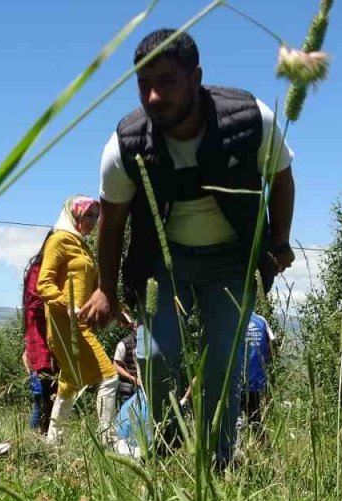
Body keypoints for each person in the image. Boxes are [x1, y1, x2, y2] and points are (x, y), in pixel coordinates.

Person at [79, 29, 297, 470]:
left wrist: (279, 244)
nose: (154, 96)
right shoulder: (125, 144)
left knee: (222, 360)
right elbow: (113, 222)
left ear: (196, 76)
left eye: (167, 81)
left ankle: (216, 464)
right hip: (165, 263)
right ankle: (159, 448)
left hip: (233, 263)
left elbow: (283, 177)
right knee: (155, 358)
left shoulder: (250, 119)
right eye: (143, 84)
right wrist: (105, 288)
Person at [37, 196, 119, 443]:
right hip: (66, 324)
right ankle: (107, 439)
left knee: (70, 382)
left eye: (96, 216)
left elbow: (96, 288)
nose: (93, 222)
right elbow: (44, 284)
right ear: (74, 215)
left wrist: (117, 311)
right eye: (88, 216)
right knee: (109, 375)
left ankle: (54, 440)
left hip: (80, 324)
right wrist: (68, 305)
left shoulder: (82, 246)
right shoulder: (59, 240)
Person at [22, 244, 58, 435]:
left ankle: (46, 437)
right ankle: (40, 438)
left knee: (52, 395)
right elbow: (35, 304)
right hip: (41, 345)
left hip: (55, 343)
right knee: (43, 397)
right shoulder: (39, 268)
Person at [241, 312, 275, 437]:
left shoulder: (232, 317)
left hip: (236, 377)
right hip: (256, 378)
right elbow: (271, 351)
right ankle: (262, 445)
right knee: (254, 417)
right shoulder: (261, 320)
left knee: (234, 418)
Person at [113, 321, 141, 406]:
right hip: (129, 387)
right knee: (128, 415)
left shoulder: (149, 343)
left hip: (144, 387)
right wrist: (131, 378)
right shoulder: (123, 344)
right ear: (135, 327)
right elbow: (116, 365)